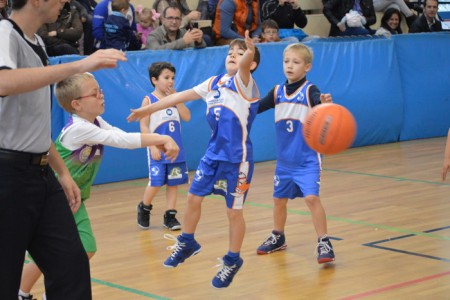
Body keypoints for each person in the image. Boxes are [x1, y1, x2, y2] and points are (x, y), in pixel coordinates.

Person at [0, 0, 127, 296]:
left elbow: (35, 127)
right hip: (8, 177)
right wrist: (81, 64)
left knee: (71, 265)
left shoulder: (38, 44)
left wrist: (62, 173)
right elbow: (3, 81)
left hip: (42, 176)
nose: (65, 2)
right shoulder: (5, 33)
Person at [19, 72, 180, 299]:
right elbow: (122, 142)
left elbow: (120, 135)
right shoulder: (78, 129)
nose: (101, 96)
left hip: (76, 199)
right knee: (48, 252)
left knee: (85, 248)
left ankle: (42, 293)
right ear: (76, 104)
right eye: (95, 93)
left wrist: (157, 140)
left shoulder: (95, 121)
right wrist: (161, 139)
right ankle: (25, 293)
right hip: (54, 197)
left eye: (101, 90)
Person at [128, 30, 260, 289]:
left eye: (240, 53)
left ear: (251, 63)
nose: (234, 56)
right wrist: (148, 108)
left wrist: (250, 51)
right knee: (192, 197)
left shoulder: (245, 83)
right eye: (230, 52)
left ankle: (233, 260)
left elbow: (244, 64)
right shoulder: (213, 83)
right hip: (213, 155)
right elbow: (180, 96)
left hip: (238, 160)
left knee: (233, 212)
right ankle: (187, 242)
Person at [255, 43, 335, 264]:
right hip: (284, 161)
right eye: (286, 61)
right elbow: (256, 107)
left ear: (307, 67)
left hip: (307, 159)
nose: (290, 66)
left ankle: (324, 241)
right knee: (278, 199)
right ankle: (278, 236)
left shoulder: (309, 91)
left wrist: (324, 102)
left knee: (311, 198)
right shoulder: (277, 92)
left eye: (296, 62)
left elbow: (319, 99)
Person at [136, 62, 190, 231]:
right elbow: (144, 126)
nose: (171, 81)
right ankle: (144, 207)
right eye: (166, 77)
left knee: (173, 183)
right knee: (156, 181)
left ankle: (170, 216)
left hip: (175, 149)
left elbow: (187, 117)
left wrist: (177, 98)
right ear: (154, 80)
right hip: (157, 148)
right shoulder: (148, 100)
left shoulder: (176, 98)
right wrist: (152, 146)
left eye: (173, 78)